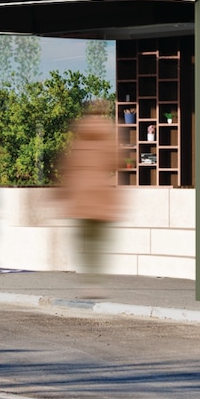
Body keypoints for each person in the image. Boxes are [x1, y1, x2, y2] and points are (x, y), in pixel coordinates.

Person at [57, 99, 122, 288]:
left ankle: (88, 280)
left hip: (81, 198)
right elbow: (116, 162)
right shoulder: (109, 138)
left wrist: (64, 193)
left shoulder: (79, 138)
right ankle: (96, 281)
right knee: (101, 242)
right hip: (101, 198)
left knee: (84, 241)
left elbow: (68, 166)